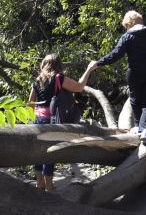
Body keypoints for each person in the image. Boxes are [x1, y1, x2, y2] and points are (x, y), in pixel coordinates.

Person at [28, 53, 97, 192]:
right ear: (58, 65)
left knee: (39, 151)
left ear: (44, 65)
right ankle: (49, 185)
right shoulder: (58, 78)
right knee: (50, 152)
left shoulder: (38, 80)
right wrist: (89, 69)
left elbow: (30, 103)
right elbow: (79, 87)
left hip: (37, 119)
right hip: (52, 120)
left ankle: (39, 182)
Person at [90, 10, 146, 141]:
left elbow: (115, 54)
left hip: (135, 73)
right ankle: (143, 129)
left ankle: (140, 128)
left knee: (135, 99)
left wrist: (98, 63)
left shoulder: (127, 37)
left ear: (129, 23)